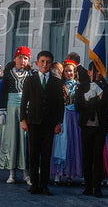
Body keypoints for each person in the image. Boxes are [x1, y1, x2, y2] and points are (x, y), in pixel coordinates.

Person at [21, 51, 64, 196]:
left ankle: (44, 184)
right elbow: (24, 101)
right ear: (37, 63)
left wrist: (59, 122)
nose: (45, 65)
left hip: (49, 123)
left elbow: (60, 104)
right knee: (33, 153)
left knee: (46, 155)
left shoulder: (56, 82)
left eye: (48, 62)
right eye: (42, 61)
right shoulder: (30, 80)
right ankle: (34, 183)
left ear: (51, 64)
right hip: (33, 121)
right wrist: (23, 120)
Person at [0, 46, 32, 184]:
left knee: (24, 142)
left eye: (25, 58)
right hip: (11, 109)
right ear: (15, 59)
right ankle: (11, 173)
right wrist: (2, 110)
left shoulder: (31, 75)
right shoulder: (8, 74)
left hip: (25, 110)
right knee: (11, 141)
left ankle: (26, 173)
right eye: (20, 58)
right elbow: (3, 93)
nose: (22, 61)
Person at [75, 61, 108, 198]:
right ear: (89, 72)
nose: (97, 74)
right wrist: (90, 96)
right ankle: (88, 186)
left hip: (100, 127)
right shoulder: (83, 88)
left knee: (97, 157)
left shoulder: (107, 89)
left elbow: (107, 105)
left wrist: (99, 93)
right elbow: (78, 106)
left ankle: (97, 186)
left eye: (99, 71)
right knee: (86, 156)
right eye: (94, 71)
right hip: (86, 126)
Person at [51, 59, 82, 184]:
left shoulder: (79, 86)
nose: (69, 73)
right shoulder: (60, 86)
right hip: (63, 117)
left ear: (75, 72)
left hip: (75, 118)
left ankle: (70, 174)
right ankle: (58, 174)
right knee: (60, 143)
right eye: (67, 71)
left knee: (73, 144)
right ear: (63, 72)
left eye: (71, 71)